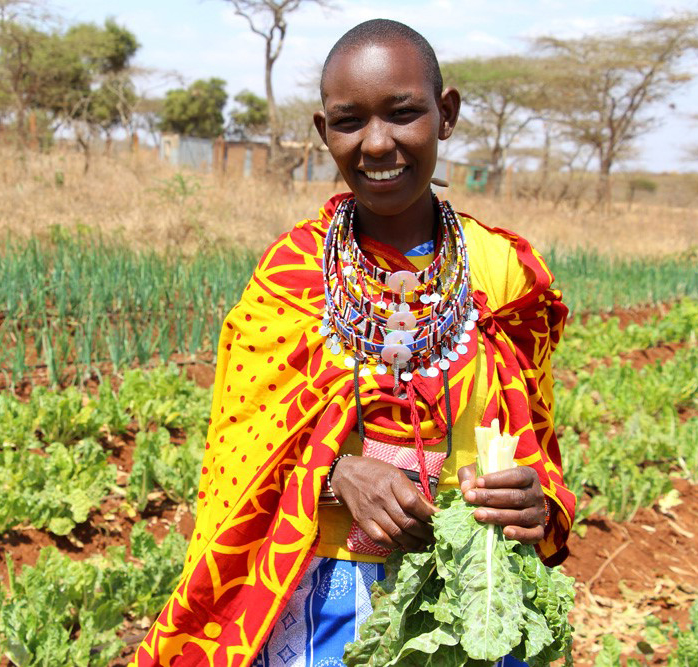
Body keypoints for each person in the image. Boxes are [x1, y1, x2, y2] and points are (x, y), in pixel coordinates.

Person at [131, 18, 574, 667]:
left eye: (402, 114)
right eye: (349, 121)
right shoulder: (292, 274)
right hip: (323, 596)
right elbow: (243, 449)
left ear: (445, 114)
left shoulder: (502, 272)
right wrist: (334, 472)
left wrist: (534, 497)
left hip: (468, 591)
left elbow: (532, 435)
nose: (377, 143)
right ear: (322, 132)